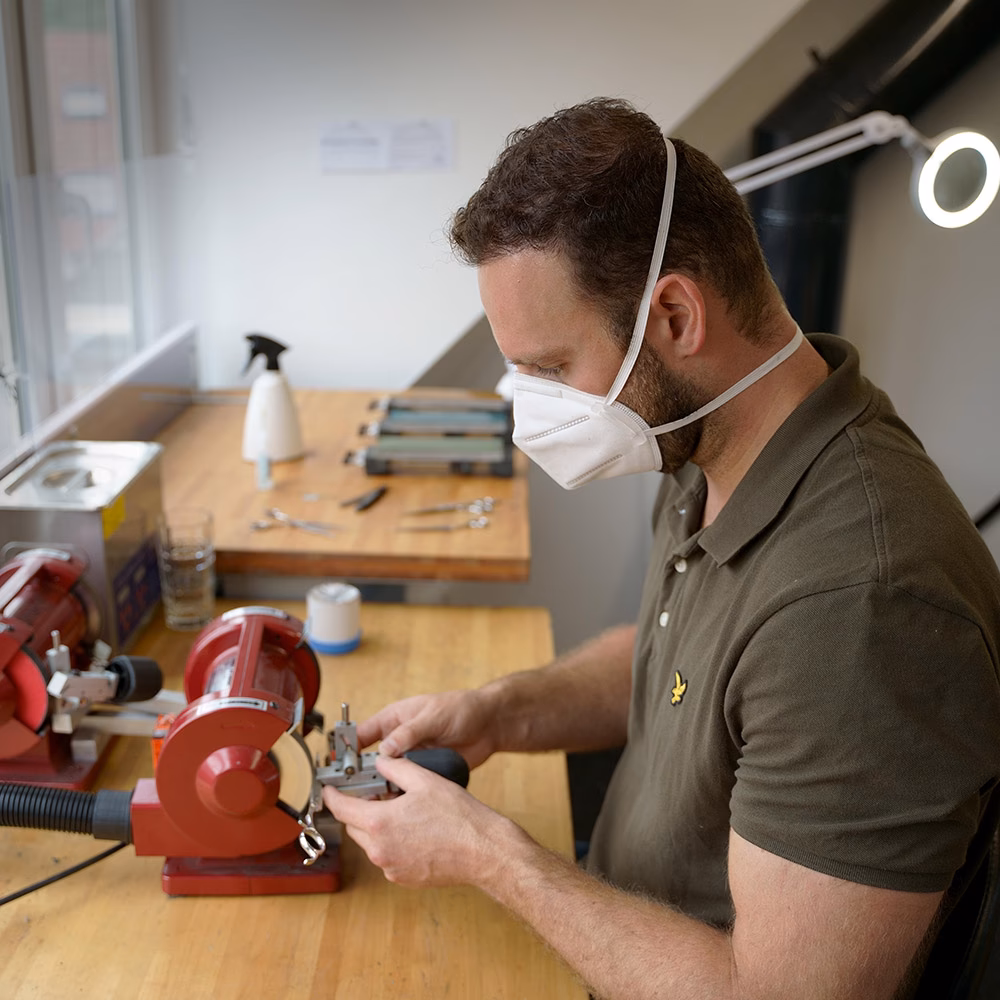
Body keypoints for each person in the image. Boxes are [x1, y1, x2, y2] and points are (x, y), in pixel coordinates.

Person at [323, 98, 1000, 1000]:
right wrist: (500, 711)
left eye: (552, 368)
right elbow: (680, 673)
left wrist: (494, 858)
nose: (531, 403)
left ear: (675, 317)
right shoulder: (709, 451)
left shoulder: (863, 607)